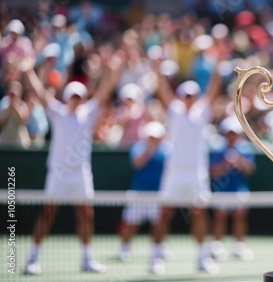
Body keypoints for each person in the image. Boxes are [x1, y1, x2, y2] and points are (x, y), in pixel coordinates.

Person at [19, 51, 119, 275]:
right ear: (67, 98)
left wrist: (112, 70)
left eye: (79, 97)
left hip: (81, 173)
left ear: (83, 99)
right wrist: (27, 70)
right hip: (58, 173)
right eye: (73, 96)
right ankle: (32, 258)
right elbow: (40, 93)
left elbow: (104, 91)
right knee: (48, 213)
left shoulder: (88, 112)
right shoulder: (58, 112)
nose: (76, 100)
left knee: (86, 214)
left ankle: (86, 258)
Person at [155, 58, 222, 274]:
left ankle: (202, 257)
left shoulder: (202, 111)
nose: (189, 99)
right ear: (180, 96)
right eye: (186, 95)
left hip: (196, 174)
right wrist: (156, 68)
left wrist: (218, 62)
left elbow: (213, 87)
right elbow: (162, 88)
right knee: (164, 213)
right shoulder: (173, 110)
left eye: (193, 95)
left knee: (199, 214)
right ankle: (156, 256)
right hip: (174, 173)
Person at [118, 121, 171, 275]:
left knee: (159, 224)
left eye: (156, 137)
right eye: (151, 136)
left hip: (158, 195)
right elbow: (137, 164)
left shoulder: (167, 150)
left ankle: (157, 251)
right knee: (131, 223)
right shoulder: (138, 147)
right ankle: (125, 248)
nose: (153, 139)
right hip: (138, 193)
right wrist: (150, 149)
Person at [210, 115, 255, 261]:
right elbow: (213, 172)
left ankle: (239, 246)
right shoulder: (218, 150)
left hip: (239, 189)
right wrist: (225, 163)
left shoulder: (244, 149)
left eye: (233, 133)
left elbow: (249, 170)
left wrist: (238, 160)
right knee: (220, 217)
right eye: (229, 133)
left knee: (239, 216)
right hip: (222, 191)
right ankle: (216, 246)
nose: (231, 136)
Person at [0, 80, 31, 148]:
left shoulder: (23, 105)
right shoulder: (3, 104)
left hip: (20, 144)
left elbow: (23, 119)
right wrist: (9, 109)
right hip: (5, 143)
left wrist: (15, 106)